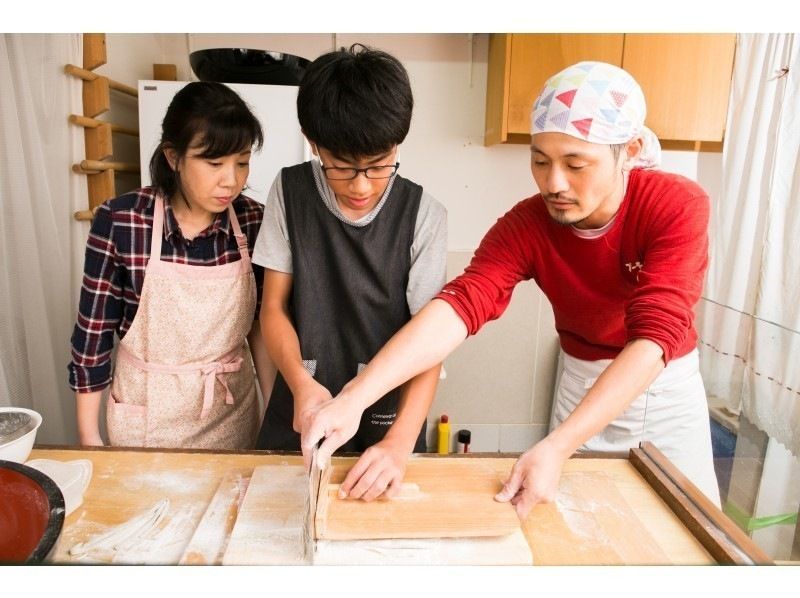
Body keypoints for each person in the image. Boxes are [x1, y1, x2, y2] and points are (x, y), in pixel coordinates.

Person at [300, 61, 721, 515]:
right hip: (579, 384)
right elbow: (461, 305)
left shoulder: (676, 204)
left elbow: (656, 334)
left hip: (663, 393)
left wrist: (557, 446)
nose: (553, 183)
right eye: (540, 161)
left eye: (576, 164)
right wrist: (354, 399)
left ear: (631, 150)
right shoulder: (529, 222)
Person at [252, 44, 447, 501]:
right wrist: (301, 385)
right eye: (341, 168)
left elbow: (430, 342)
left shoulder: (424, 214)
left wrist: (400, 442)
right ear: (313, 142)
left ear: (397, 143)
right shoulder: (290, 191)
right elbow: (273, 308)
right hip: (300, 401)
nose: (360, 185)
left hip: (388, 417)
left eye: (378, 166)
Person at [68, 81, 275, 449]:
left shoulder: (253, 221)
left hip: (230, 414)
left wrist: (277, 421)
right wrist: (89, 438)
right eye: (214, 162)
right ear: (173, 156)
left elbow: (261, 326)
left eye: (241, 162)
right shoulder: (122, 221)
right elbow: (92, 336)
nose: (232, 180)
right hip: (146, 415)